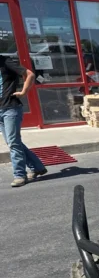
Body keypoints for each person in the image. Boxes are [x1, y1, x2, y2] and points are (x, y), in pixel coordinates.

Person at [0, 56, 47, 188]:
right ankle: (37, 167)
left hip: (11, 108)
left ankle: (20, 175)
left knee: (13, 143)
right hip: (1, 109)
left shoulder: (6, 61)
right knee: (14, 142)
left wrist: (23, 92)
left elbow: (30, 74)